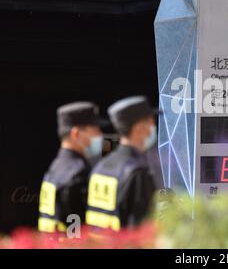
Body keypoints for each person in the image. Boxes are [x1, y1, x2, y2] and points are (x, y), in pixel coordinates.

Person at [86, 96, 157, 231]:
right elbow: (139, 233)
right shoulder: (137, 172)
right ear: (138, 128)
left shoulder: (100, 167)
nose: (153, 127)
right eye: (150, 122)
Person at [38, 102, 104, 233]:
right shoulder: (77, 172)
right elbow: (76, 232)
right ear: (76, 134)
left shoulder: (56, 167)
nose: (100, 135)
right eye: (95, 130)